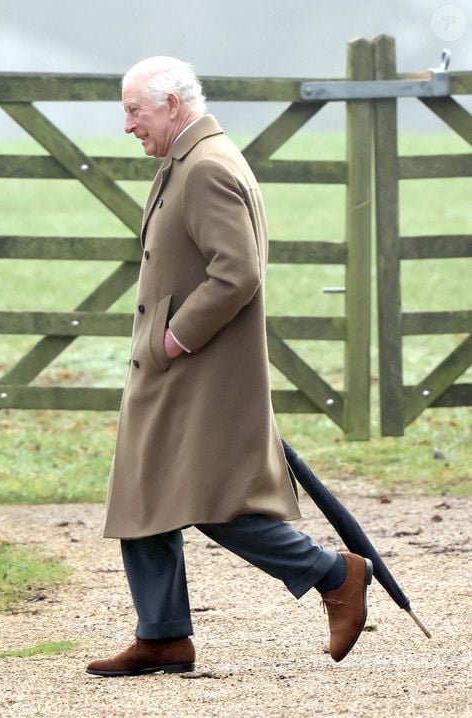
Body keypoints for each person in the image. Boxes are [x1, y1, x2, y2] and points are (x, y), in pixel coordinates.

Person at [86, 57, 372, 677]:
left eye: (136, 110)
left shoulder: (207, 168)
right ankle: (162, 635)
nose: (128, 124)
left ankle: (333, 574)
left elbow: (237, 272)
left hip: (198, 371)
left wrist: (173, 340)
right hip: (176, 370)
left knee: (211, 500)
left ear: (172, 105)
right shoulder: (185, 162)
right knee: (144, 491)